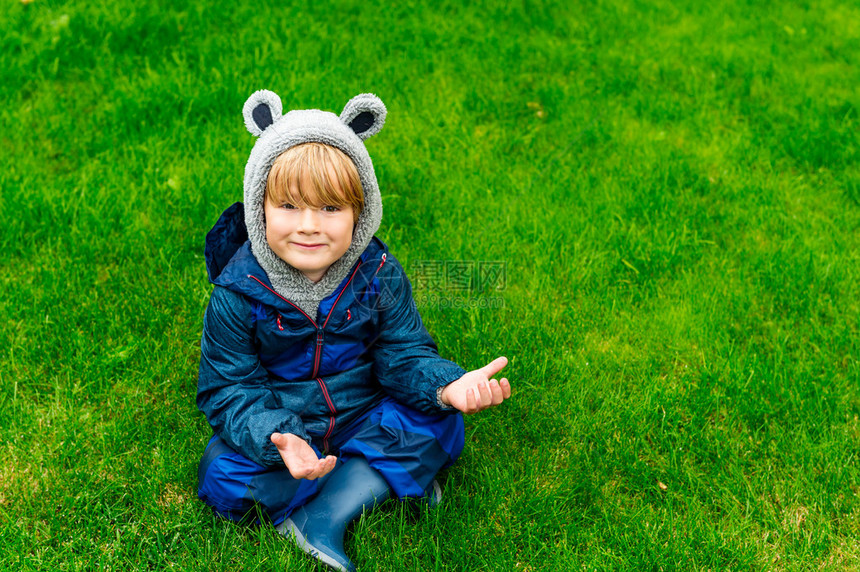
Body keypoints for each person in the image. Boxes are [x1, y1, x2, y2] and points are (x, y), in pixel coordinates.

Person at [196, 90, 512, 571]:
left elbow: (404, 354)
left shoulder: (379, 273)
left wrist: (447, 386)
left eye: (329, 209)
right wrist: (279, 437)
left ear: (359, 214)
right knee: (222, 474)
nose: (308, 227)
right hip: (288, 433)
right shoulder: (236, 293)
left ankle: (323, 512)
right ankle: (373, 478)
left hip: (363, 410)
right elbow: (229, 388)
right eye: (288, 206)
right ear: (258, 208)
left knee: (445, 422)